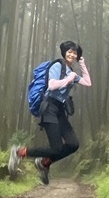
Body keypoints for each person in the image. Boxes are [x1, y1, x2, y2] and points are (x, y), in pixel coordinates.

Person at [8, 40, 92, 185]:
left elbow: (87, 82)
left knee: (73, 144)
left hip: (60, 110)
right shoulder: (58, 65)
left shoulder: (71, 72)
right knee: (57, 147)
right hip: (49, 108)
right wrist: (68, 80)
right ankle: (20, 152)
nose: (72, 54)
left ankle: (45, 162)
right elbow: (52, 85)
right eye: (70, 51)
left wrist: (82, 65)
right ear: (65, 52)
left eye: (75, 53)